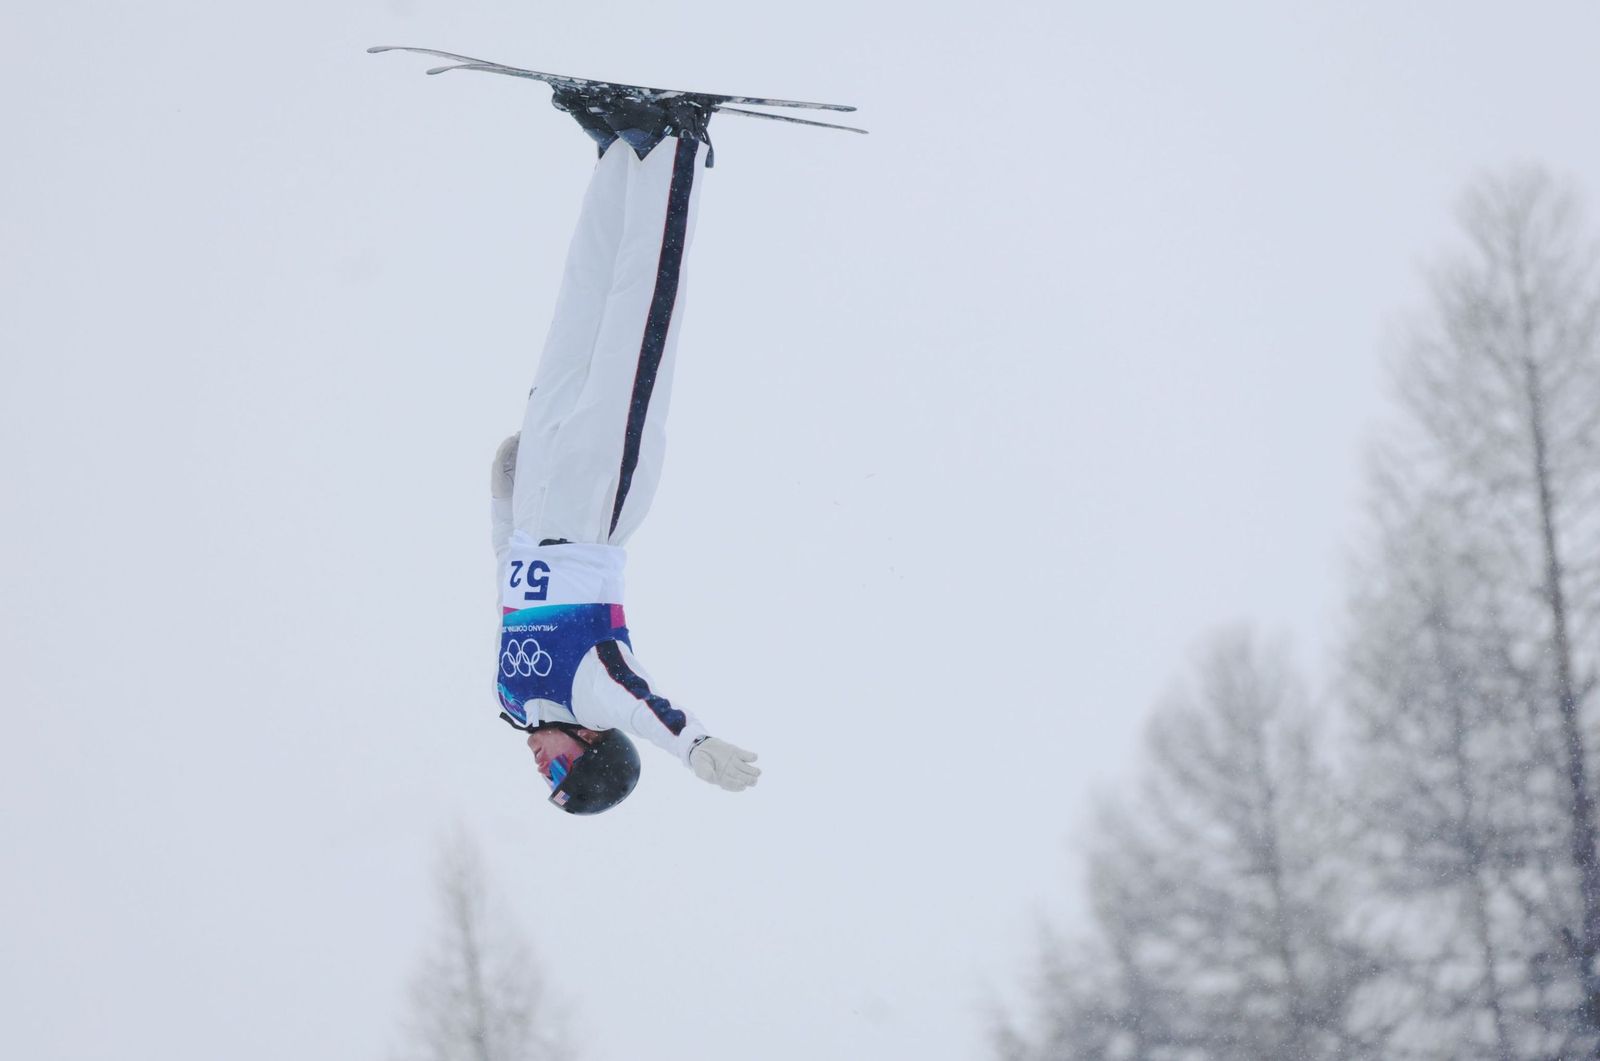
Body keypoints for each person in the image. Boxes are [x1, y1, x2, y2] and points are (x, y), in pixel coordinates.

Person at [489, 91, 760, 815]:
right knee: (636, 327)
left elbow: (507, 591)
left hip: (537, 505)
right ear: (593, 743)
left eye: (546, 778)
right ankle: (674, 146)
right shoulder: (594, 692)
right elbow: (647, 706)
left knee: (578, 312)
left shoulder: (512, 696)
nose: (542, 766)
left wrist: (502, 507)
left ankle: (620, 154)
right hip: (593, 507)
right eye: (561, 771)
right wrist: (695, 746)